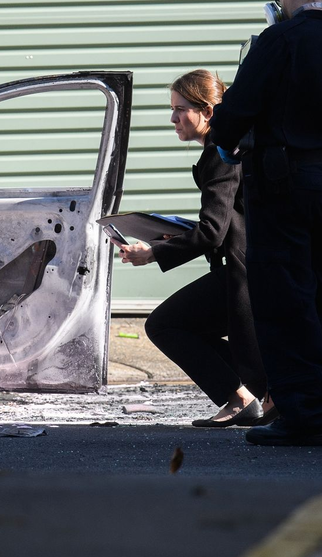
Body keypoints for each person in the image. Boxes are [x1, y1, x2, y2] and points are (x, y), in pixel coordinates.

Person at [208, 0, 322, 446]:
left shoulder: (275, 41)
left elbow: (237, 110)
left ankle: (302, 413)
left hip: (281, 181)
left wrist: (224, 144)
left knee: (282, 296)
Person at [118, 70, 272, 428]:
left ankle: (243, 395)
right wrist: (171, 236)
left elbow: (214, 231)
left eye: (180, 109)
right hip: (242, 268)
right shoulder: (224, 149)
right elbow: (226, 220)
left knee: (165, 324)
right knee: (182, 325)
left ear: (208, 112)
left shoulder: (220, 154)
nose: (172, 119)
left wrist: (153, 252)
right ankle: (253, 390)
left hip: (243, 272)